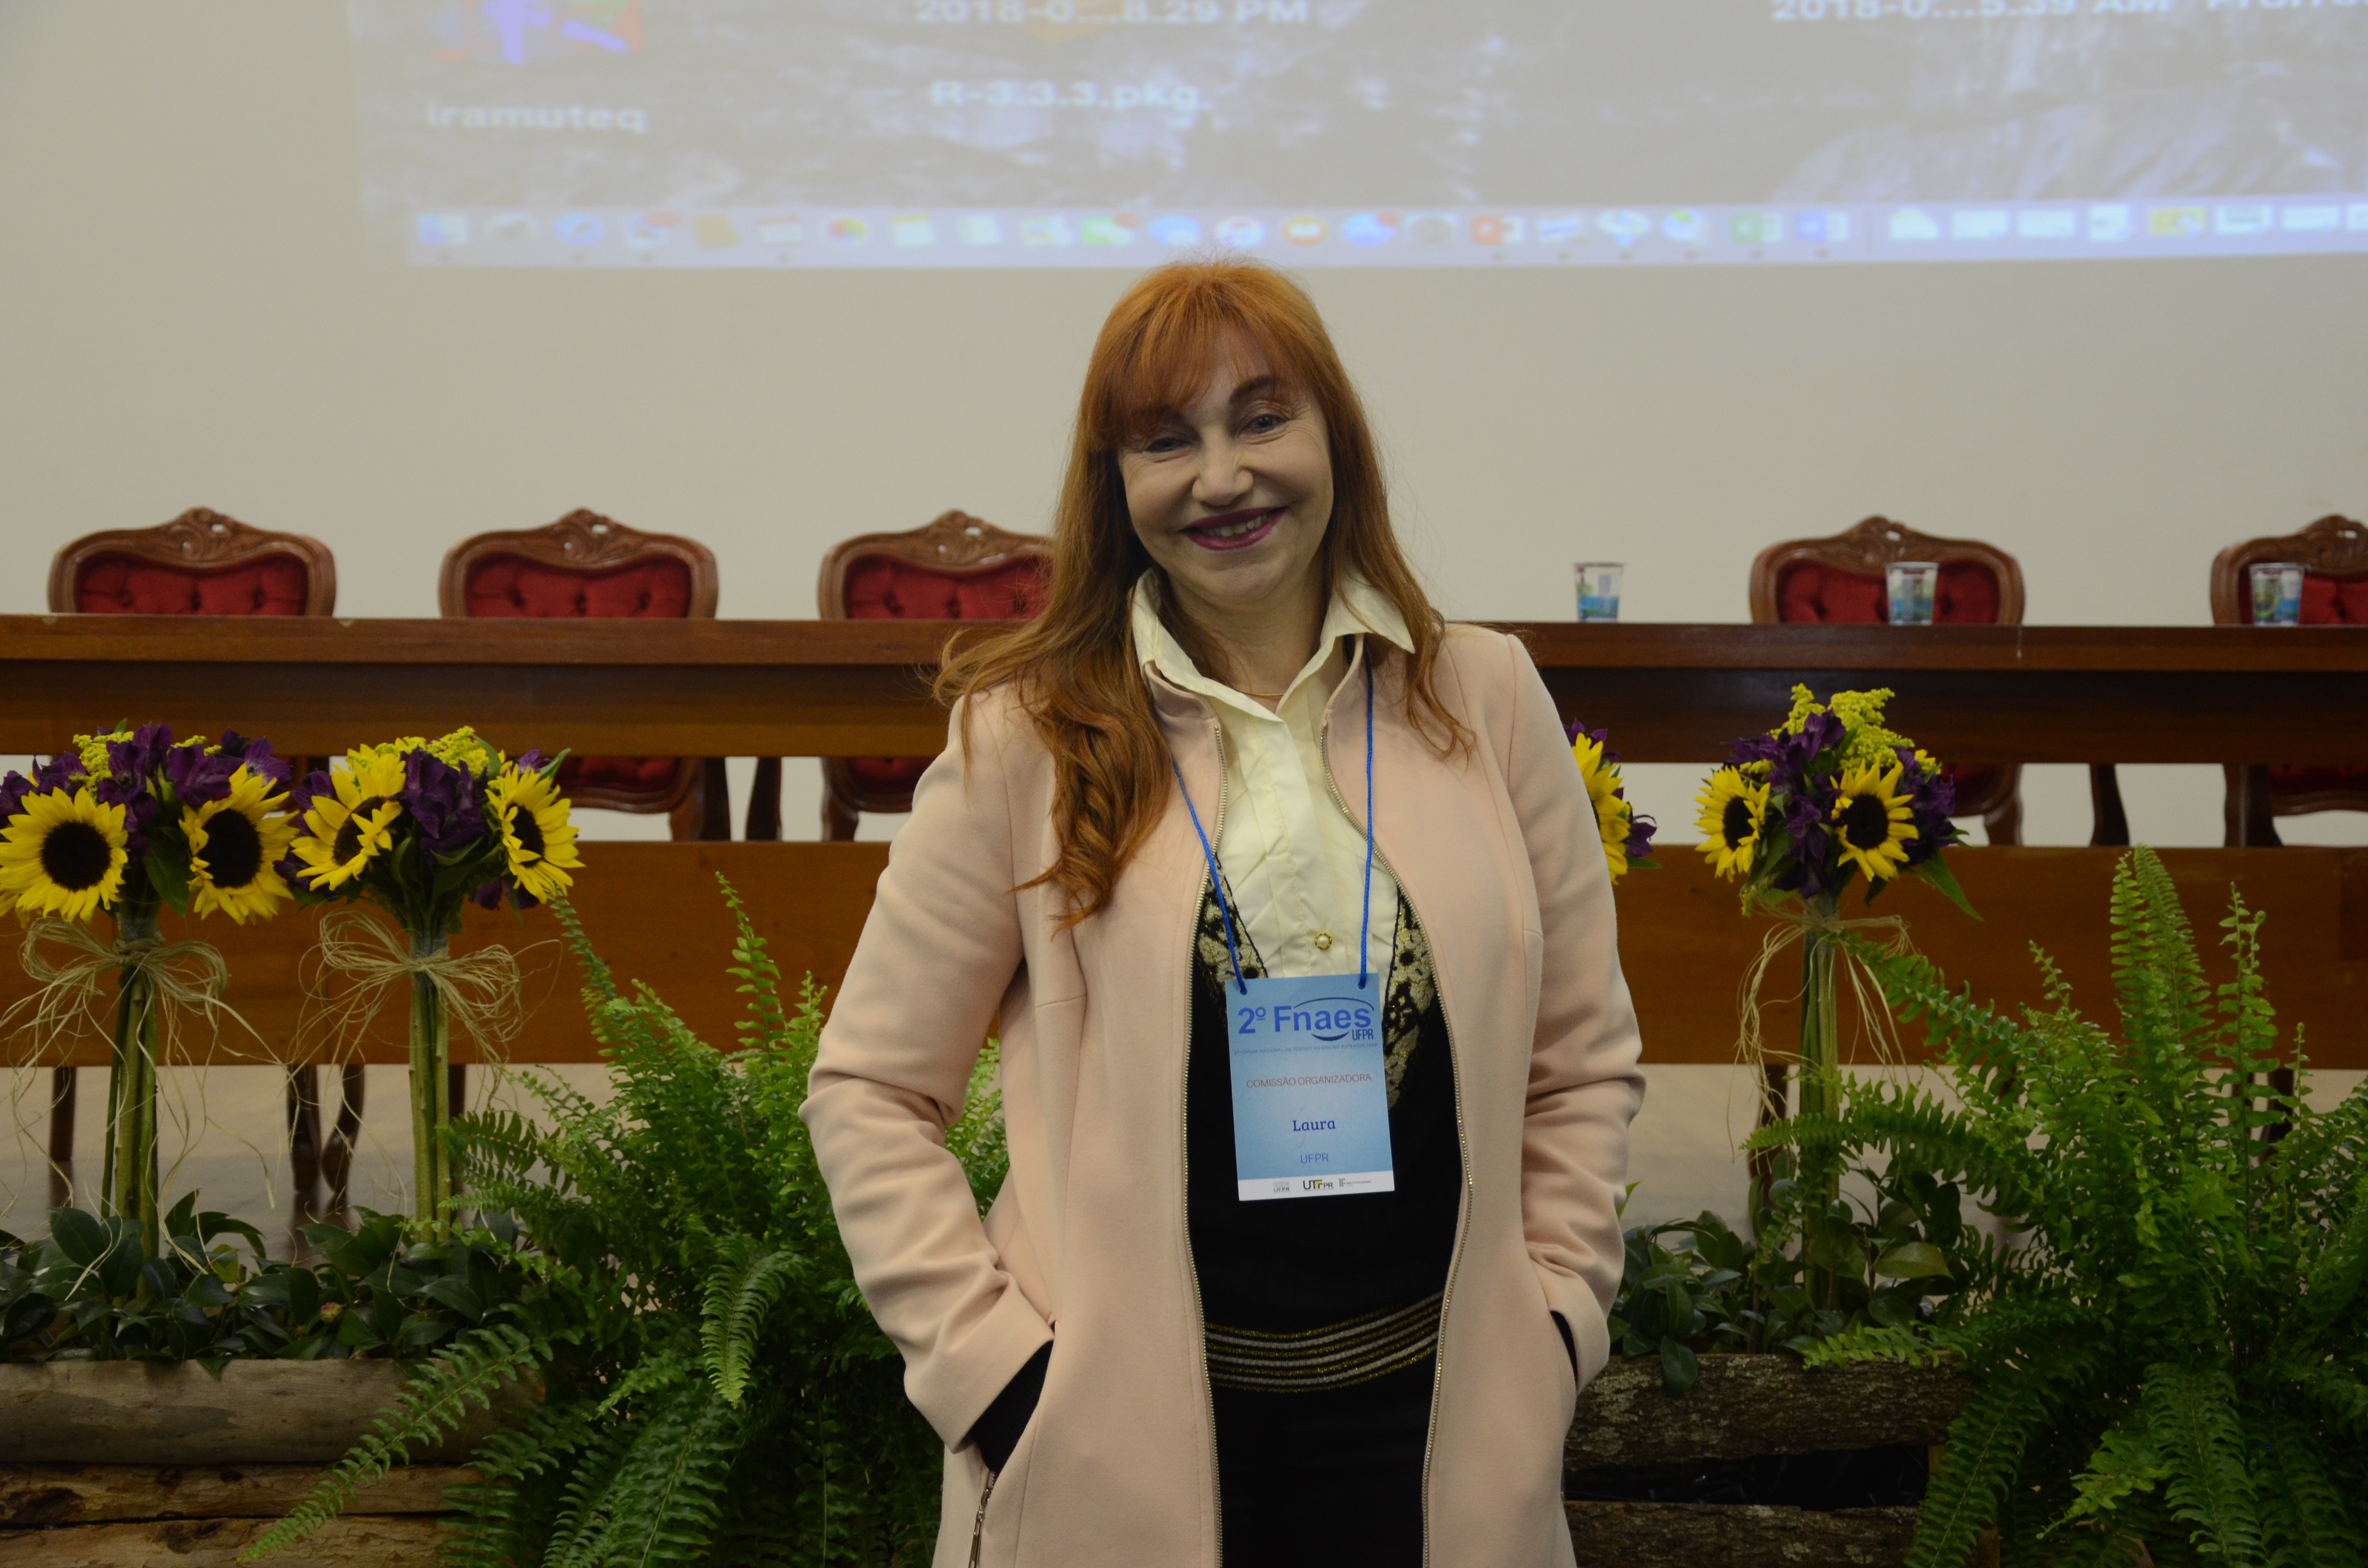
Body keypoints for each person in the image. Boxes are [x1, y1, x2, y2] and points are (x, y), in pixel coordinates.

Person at [800, 257, 1644, 1568]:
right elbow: (869, 1089)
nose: (1222, 477)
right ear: (1115, 484)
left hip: (1442, 1431)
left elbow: (1580, 1059)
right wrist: (999, 1379)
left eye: (1262, 419)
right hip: (1118, 1448)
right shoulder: (1027, 738)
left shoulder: (1483, 699)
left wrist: (1555, 1320)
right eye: (1166, 441)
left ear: (1334, 438)